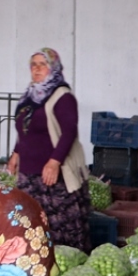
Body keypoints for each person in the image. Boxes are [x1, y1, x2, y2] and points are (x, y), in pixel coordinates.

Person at [6, 48, 93, 252]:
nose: (36, 69)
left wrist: (54, 162)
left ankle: (71, 262)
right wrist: (16, 153)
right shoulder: (30, 96)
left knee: (62, 225)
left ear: (53, 67)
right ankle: (39, 262)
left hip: (53, 173)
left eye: (42, 64)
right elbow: (25, 129)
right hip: (29, 173)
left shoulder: (62, 96)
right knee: (33, 221)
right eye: (33, 64)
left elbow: (68, 132)